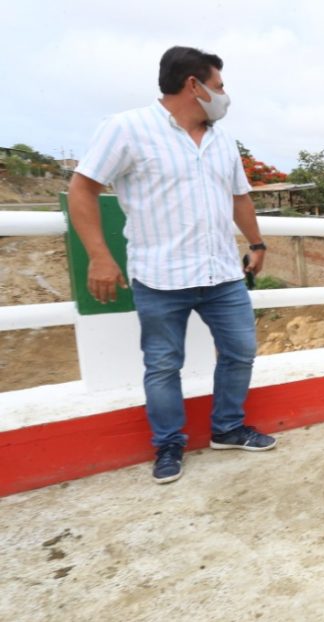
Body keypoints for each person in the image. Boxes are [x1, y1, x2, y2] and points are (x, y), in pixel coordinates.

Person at [68, 46, 277, 485]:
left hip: (222, 274)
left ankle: (227, 428)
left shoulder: (221, 139)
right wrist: (100, 257)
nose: (224, 95)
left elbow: (239, 196)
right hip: (160, 277)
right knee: (163, 365)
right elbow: (82, 189)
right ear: (193, 86)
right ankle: (168, 444)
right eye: (218, 86)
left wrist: (256, 242)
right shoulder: (127, 129)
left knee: (241, 352)